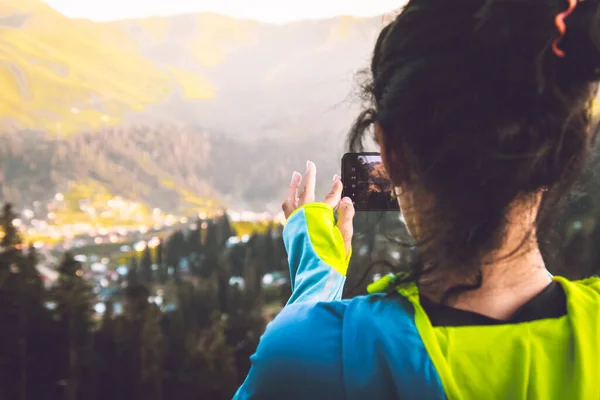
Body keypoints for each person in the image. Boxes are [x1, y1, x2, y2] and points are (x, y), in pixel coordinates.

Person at [234, 0, 600, 398]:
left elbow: (299, 360)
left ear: (391, 151)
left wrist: (316, 275)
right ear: (563, 151)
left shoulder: (318, 357)